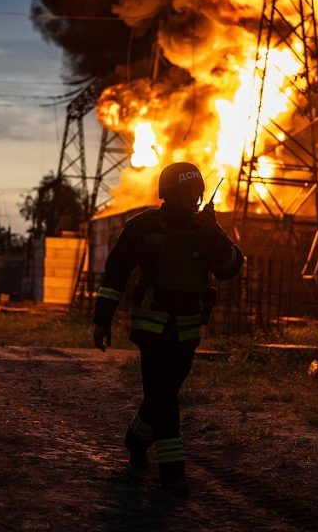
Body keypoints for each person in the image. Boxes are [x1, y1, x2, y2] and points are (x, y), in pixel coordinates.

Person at [91, 162, 244, 496]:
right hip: (152, 329)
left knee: (162, 395)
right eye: (186, 191)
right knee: (164, 396)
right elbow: (115, 274)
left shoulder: (205, 229)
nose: (193, 197)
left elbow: (231, 267)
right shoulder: (142, 227)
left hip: (188, 331)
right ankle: (173, 473)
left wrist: (214, 236)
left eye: (196, 191)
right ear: (170, 193)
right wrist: (101, 320)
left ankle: (136, 439)